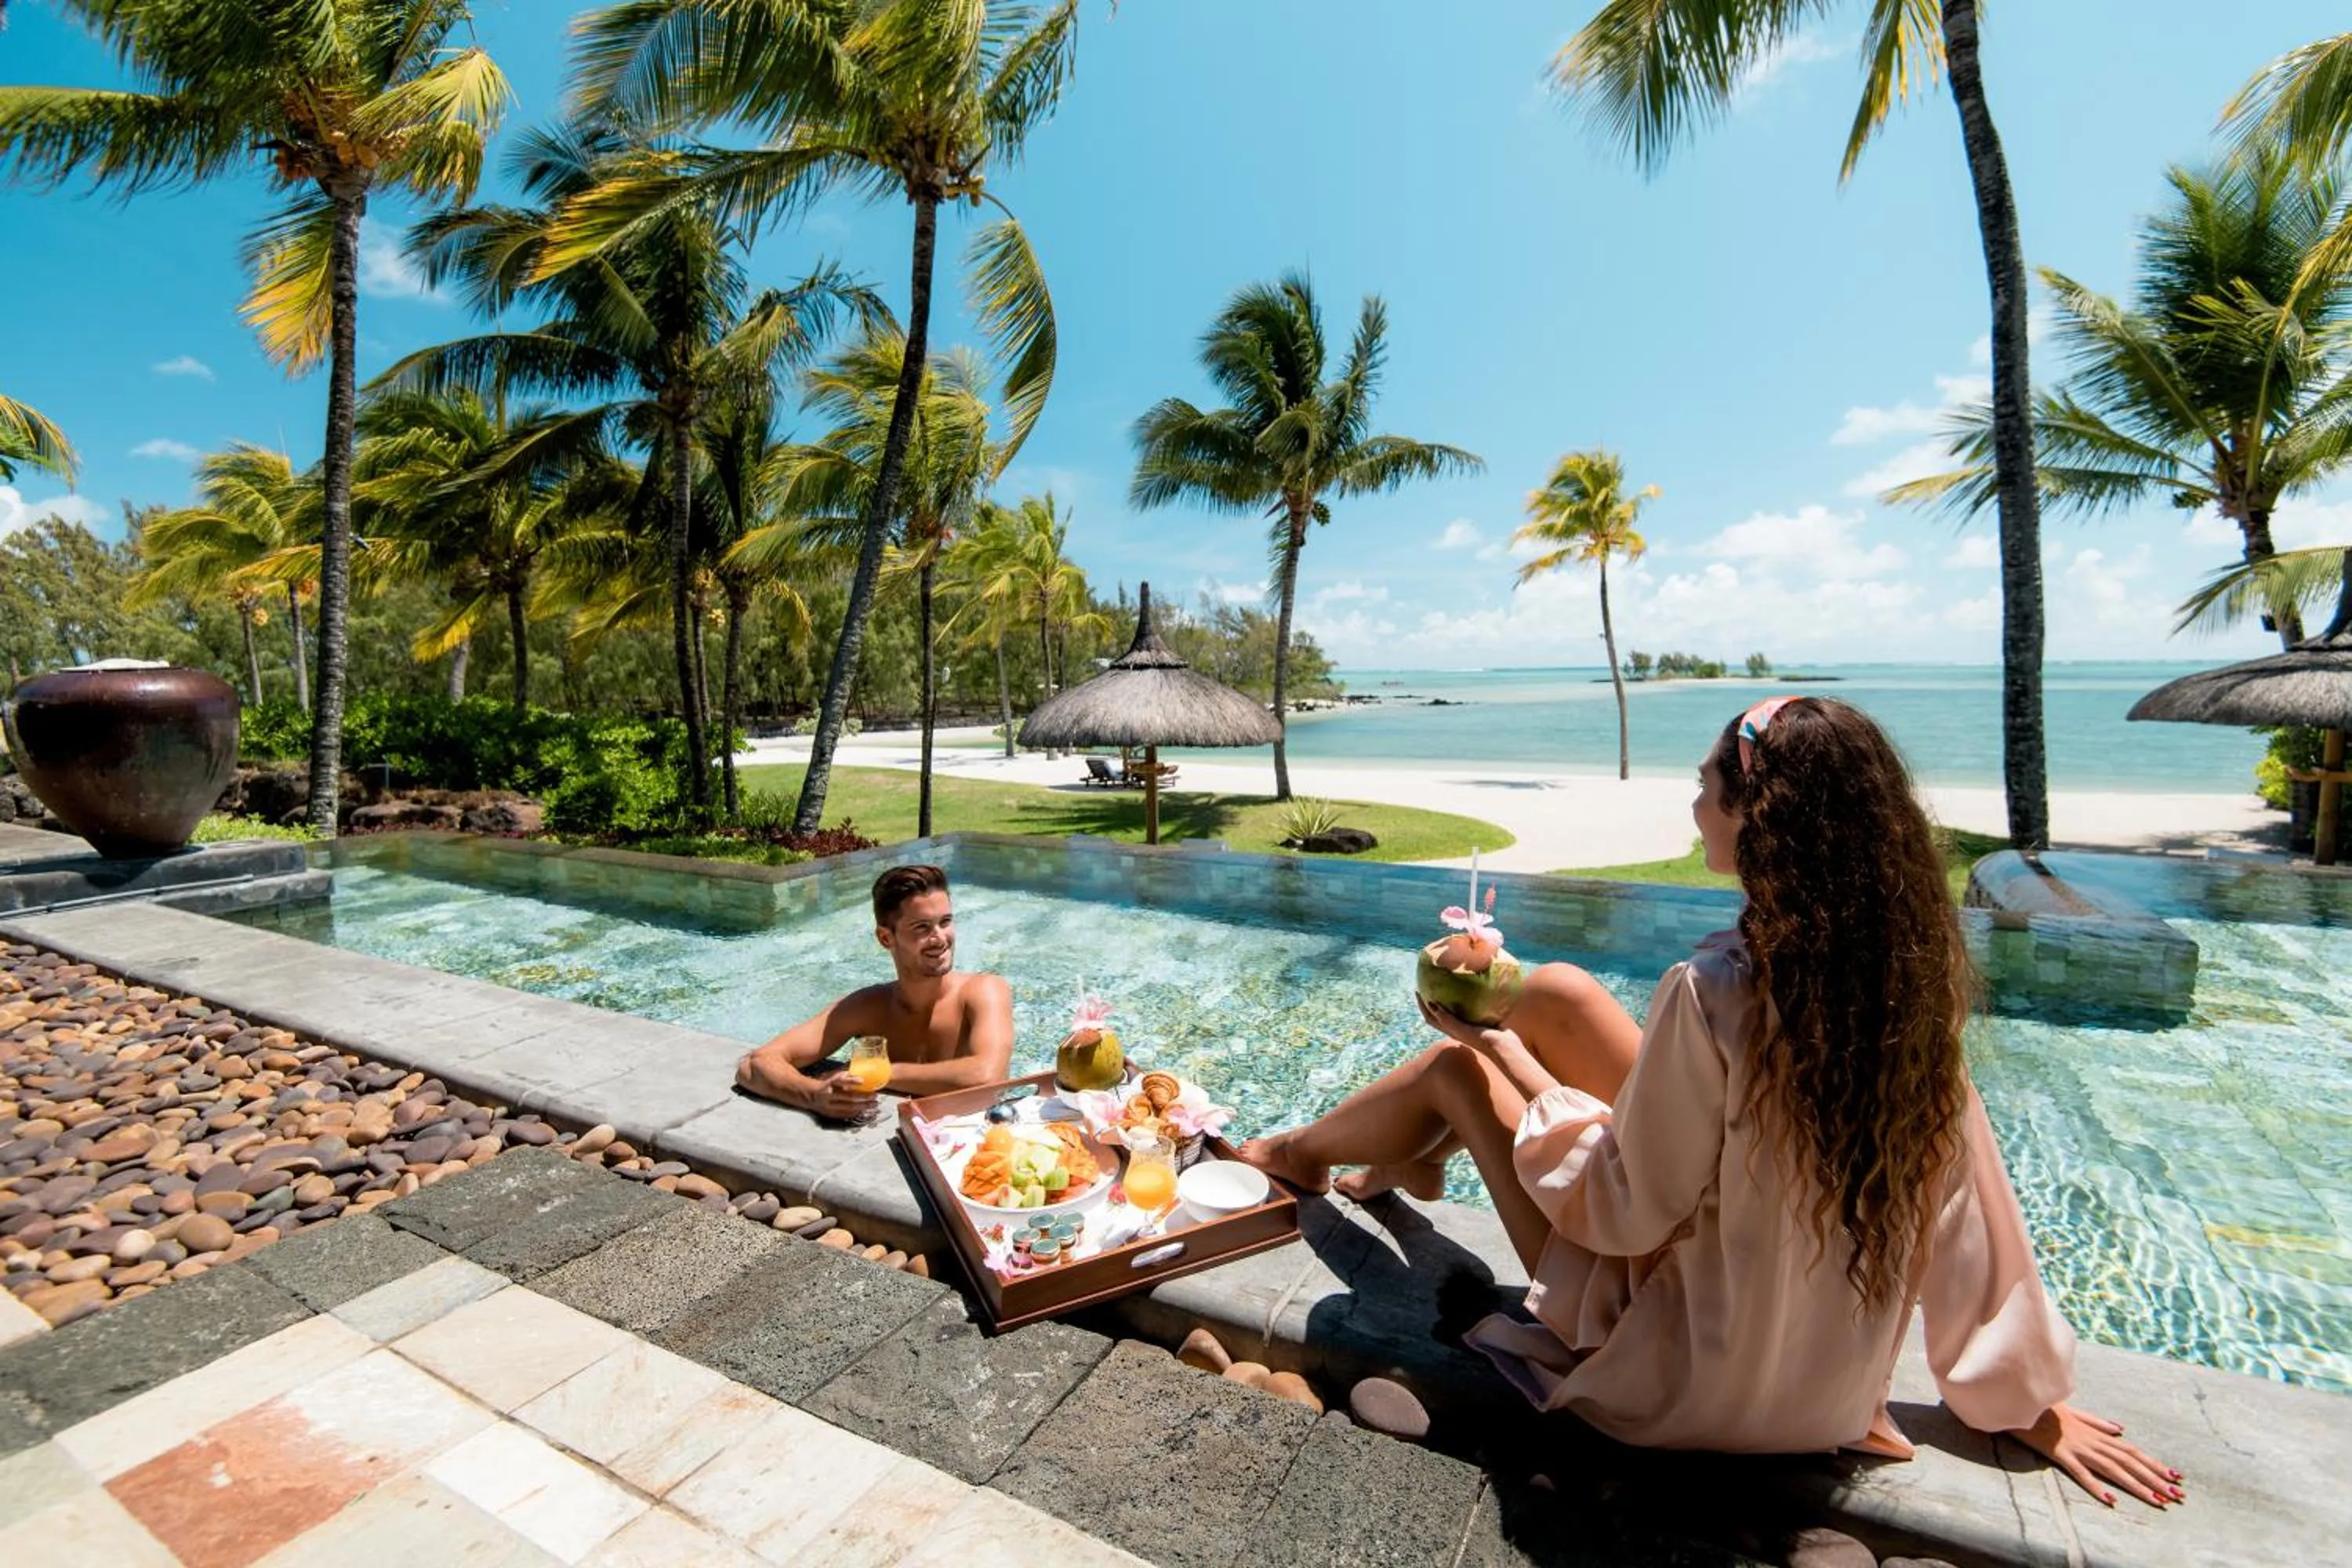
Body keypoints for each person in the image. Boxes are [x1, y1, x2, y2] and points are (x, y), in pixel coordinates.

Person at [1243, 697, 2183, 1511]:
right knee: (1561, 990)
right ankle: (1399, 1157)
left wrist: (1502, 1056)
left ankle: (1303, 1155)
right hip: (1818, 1394)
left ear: (1758, 815)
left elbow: (1623, 1207)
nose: (1693, 800)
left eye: (1707, 782)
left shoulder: (1713, 988)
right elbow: (1966, 1204)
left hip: (1676, 1375)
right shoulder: (1906, 989)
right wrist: (2025, 1401)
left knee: (1458, 1072)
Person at [735, 864, 1014, 1121]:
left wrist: (879, 1073)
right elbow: (755, 1065)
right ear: (885, 938)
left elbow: (988, 1077)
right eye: (922, 927)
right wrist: (814, 1095)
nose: (940, 938)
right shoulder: (868, 1007)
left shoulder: (984, 991)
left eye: (945, 922)